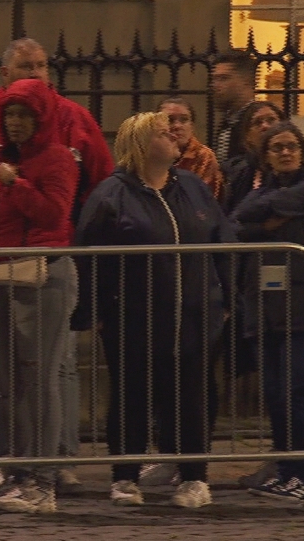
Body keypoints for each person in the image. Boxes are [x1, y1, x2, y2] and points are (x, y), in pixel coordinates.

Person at [0, 37, 113, 492]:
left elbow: (98, 186)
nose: (35, 74)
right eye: (25, 67)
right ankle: (13, 459)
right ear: (4, 75)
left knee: (54, 367)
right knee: (4, 370)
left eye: (41, 66)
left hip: (49, 261)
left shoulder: (73, 123)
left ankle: (57, 460)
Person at [76, 111, 233, 510]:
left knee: (192, 396)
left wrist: (229, 300)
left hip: (195, 313)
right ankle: (125, 477)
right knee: (132, 395)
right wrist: (93, 310)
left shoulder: (194, 188)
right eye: (164, 133)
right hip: (134, 316)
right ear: (143, 145)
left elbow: (222, 243)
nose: (175, 137)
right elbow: (89, 256)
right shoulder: (112, 194)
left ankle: (195, 476)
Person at [0, 78, 78, 514]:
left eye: (24, 115)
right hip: (2, 273)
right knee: (10, 380)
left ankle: (42, 480)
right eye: (9, 115)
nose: (15, 123)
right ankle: (20, 472)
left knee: (39, 378)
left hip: (42, 276)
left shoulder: (55, 158)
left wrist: (15, 185)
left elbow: (54, 213)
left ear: (40, 118)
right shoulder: (6, 158)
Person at [232, 122, 304, 503]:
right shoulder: (267, 190)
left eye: (292, 146)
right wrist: (261, 221)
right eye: (277, 148)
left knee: (298, 391)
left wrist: (258, 216)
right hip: (265, 307)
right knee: (275, 394)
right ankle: (286, 470)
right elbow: (236, 220)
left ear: (302, 152)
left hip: (301, 308)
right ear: (266, 157)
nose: (286, 152)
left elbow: (249, 213)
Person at [162, 97, 224, 201]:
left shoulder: (203, 156)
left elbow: (205, 201)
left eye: (184, 120)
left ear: (192, 125)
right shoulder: (149, 154)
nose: (177, 126)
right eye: (170, 120)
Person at [208, 50, 259, 161]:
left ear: (246, 81)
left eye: (223, 78)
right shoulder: (228, 122)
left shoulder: (259, 121)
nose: (215, 85)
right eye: (214, 79)